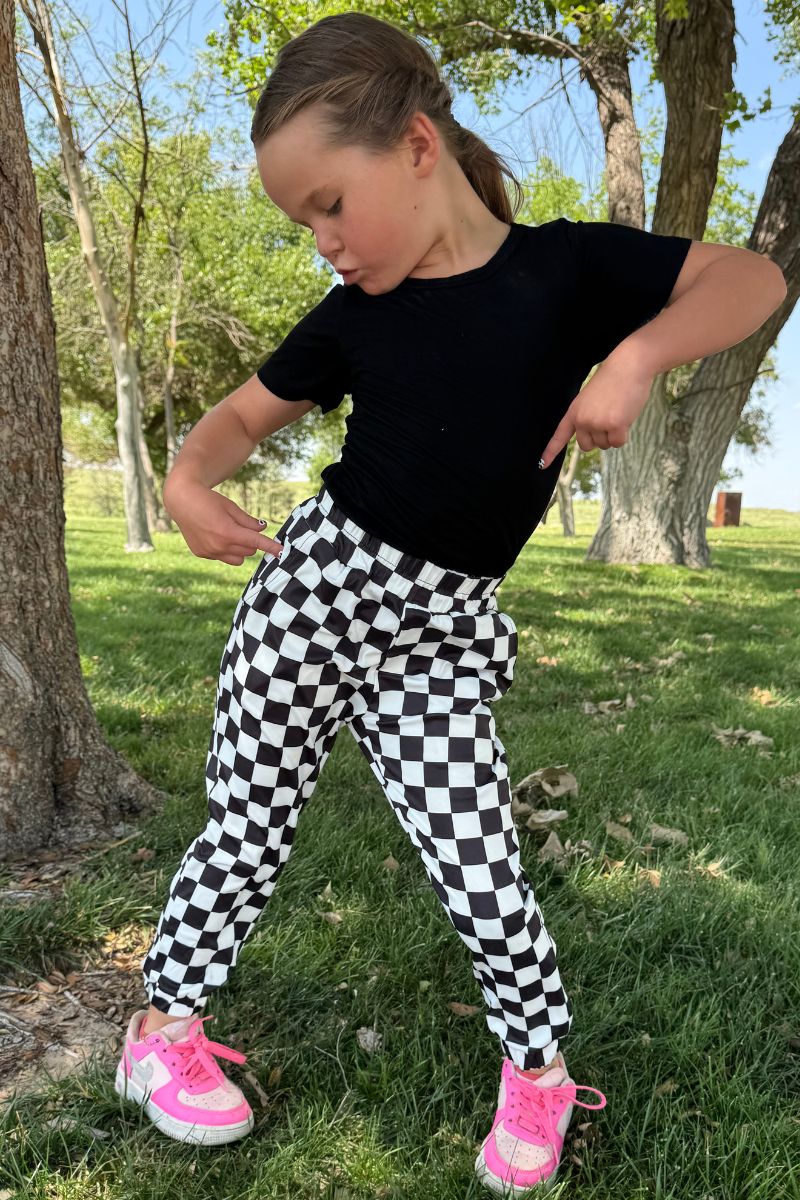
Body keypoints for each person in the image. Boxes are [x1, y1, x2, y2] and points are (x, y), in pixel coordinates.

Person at [114, 10, 697, 1192]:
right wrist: (183, 485)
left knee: (479, 858)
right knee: (246, 827)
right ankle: (160, 1034)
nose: (321, 241)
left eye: (330, 203)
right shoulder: (353, 318)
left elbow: (748, 276)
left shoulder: (564, 271)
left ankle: (537, 1073)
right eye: (302, 223)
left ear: (417, 146)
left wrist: (635, 357)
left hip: (440, 635)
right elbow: (231, 424)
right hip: (312, 601)